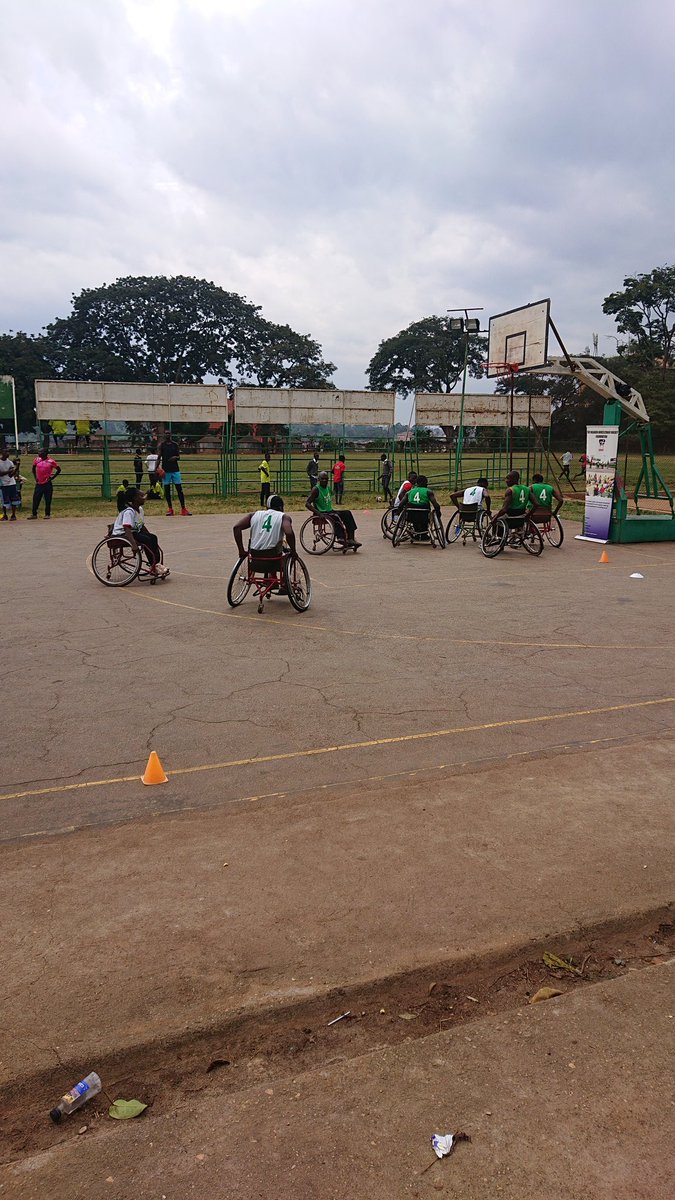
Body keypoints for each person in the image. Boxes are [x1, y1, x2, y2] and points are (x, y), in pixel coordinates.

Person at [112, 487, 168, 577]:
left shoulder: (140, 510)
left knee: (153, 537)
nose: (144, 498)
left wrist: (149, 535)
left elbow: (141, 525)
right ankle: (154, 565)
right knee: (147, 540)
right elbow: (127, 529)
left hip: (133, 531)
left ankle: (156, 564)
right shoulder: (129, 512)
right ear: (135, 498)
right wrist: (133, 545)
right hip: (123, 533)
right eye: (141, 496)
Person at [233, 494, 298, 571]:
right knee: (286, 550)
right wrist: (293, 551)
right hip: (273, 556)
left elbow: (236, 527)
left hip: (254, 555)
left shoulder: (254, 515)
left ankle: (270, 576)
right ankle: (285, 580)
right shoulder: (283, 517)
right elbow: (289, 533)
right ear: (281, 507)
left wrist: (241, 550)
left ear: (267, 507)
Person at [306, 470, 361, 549]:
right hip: (322, 512)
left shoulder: (328, 488)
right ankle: (340, 537)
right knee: (336, 517)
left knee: (347, 513)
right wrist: (318, 513)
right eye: (322, 479)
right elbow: (307, 504)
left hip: (330, 510)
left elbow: (332, 493)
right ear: (319, 479)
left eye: (326, 479)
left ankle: (351, 538)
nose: (324, 481)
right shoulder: (316, 489)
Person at [157, 432, 190, 516]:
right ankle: (170, 509)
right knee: (167, 490)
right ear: (164, 435)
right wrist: (155, 469)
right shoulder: (162, 445)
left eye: (169, 433)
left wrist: (175, 457)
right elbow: (159, 457)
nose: (167, 435)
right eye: (166, 434)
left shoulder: (175, 444)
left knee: (179, 489)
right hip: (166, 470)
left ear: (171, 435)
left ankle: (183, 509)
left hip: (175, 470)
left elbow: (178, 456)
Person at [494, 470, 531, 535]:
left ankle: (498, 538)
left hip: (510, 517)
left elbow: (504, 509)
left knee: (496, 518)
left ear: (514, 479)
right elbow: (536, 504)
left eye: (508, 478)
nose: (506, 480)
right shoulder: (527, 489)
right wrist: (529, 514)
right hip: (521, 517)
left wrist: (495, 518)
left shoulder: (510, 490)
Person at [28, 448, 61, 519]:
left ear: (46, 453)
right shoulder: (36, 460)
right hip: (39, 483)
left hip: (47, 483)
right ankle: (34, 514)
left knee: (48, 499)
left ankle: (47, 514)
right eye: (39, 451)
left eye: (41, 452)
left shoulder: (51, 461)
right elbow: (33, 468)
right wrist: (35, 477)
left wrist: (52, 478)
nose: (39, 453)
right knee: (36, 499)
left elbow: (58, 470)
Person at [0, 448, 19, 521]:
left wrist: (17, 468)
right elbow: (0, 474)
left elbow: (11, 475)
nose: (7, 453)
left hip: (12, 483)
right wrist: (10, 470)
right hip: (3, 484)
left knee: (14, 499)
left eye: (8, 452)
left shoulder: (10, 462)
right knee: (4, 500)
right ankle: (5, 515)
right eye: (5, 451)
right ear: (1, 452)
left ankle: (13, 515)